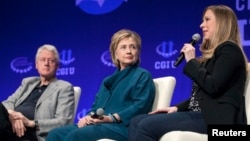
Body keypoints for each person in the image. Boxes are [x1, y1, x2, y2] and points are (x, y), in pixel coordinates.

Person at [127, 5, 248, 141]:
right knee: (136, 121)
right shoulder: (214, 55)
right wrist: (176, 108)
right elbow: (201, 97)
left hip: (220, 122)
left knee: (145, 126)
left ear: (221, 23)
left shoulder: (230, 50)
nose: (202, 25)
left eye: (207, 20)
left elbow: (213, 87)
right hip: (202, 115)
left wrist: (191, 61)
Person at [45, 29, 156, 141]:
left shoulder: (143, 75)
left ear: (138, 52)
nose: (129, 51)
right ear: (115, 54)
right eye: (123, 47)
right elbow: (96, 106)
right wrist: (88, 117)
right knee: (56, 134)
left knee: (76, 136)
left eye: (133, 47)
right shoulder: (107, 80)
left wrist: (110, 118)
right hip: (100, 125)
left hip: (123, 128)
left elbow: (139, 107)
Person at [0, 44, 75, 141]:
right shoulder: (28, 82)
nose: (46, 63)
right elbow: (8, 102)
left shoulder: (64, 87)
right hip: (10, 126)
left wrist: (30, 123)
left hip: (32, 133)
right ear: (36, 64)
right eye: (42, 60)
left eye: (51, 60)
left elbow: (63, 122)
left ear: (57, 66)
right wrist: (13, 116)